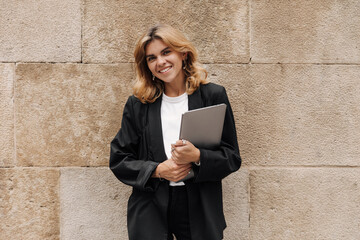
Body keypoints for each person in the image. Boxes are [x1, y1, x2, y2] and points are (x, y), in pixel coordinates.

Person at [110, 23, 241, 240]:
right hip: (150, 207)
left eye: (166, 52)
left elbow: (232, 157)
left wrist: (198, 156)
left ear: (183, 54)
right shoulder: (139, 104)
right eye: (151, 58)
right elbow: (119, 159)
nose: (160, 62)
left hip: (199, 207)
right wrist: (158, 170)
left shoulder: (213, 96)